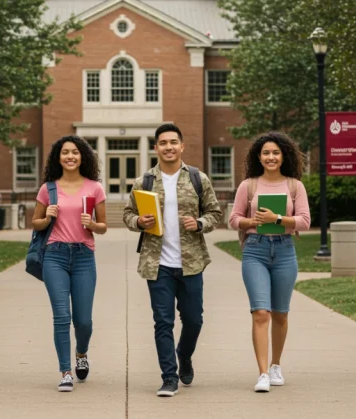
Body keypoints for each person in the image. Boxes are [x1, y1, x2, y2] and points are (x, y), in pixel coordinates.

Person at [123, 123, 223, 397]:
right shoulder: (144, 182)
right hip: (158, 264)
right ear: (156, 148)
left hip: (192, 262)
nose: (168, 147)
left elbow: (215, 212)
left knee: (194, 320)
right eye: (163, 143)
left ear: (181, 146)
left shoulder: (197, 178)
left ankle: (185, 355)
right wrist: (139, 222)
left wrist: (200, 223)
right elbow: (128, 215)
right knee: (163, 322)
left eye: (173, 142)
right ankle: (169, 377)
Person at [228, 132, 311, 392]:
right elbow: (233, 219)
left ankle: (276, 365)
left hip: (285, 251)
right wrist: (251, 222)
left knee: (281, 314)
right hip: (255, 251)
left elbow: (305, 222)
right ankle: (263, 373)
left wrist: (277, 219)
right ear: (259, 157)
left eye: (275, 152)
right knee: (261, 312)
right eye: (266, 153)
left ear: (284, 155)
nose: (271, 157)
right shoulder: (248, 186)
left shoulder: (294, 186)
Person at [32, 135, 107, 392]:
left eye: (75, 152)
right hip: (55, 255)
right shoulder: (48, 189)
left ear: (83, 156)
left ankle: (81, 352)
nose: (70, 156)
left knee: (83, 321)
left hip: (84, 256)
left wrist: (92, 224)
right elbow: (36, 223)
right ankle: (65, 371)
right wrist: (47, 216)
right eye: (65, 152)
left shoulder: (94, 188)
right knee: (61, 316)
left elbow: (104, 227)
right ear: (58, 157)